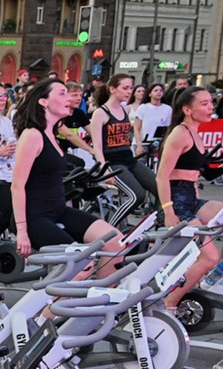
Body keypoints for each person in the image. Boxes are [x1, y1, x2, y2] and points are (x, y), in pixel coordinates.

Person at [156, 86, 223, 314]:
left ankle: (216, 277)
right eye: (204, 104)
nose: (211, 107)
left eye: (211, 102)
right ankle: (168, 304)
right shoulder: (180, 133)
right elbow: (162, 176)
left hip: (191, 198)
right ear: (187, 110)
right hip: (175, 201)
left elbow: (197, 173)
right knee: (208, 255)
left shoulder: (196, 132)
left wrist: (221, 168)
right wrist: (169, 212)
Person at [11, 78, 122, 267]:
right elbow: (17, 186)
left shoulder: (52, 134)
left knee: (116, 243)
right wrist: (22, 231)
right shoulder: (32, 135)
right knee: (81, 264)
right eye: (62, 93)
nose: (68, 98)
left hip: (59, 210)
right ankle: (66, 287)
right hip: (34, 217)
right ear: (43, 101)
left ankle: (101, 287)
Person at [89, 75, 158, 221]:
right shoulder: (100, 113)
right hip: (112, 161)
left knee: (160, 187)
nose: (129, 91)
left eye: (131, 88)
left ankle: (159, 220)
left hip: (128, 158)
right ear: (112, 89)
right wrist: (105, 170)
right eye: (125, 88)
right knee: (137, 195)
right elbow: (97, 146)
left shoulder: (125, 109)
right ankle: (109, 227)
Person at [131, 82, 171, 155]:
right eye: (156, 90)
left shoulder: (168, 109)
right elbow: (136, 128)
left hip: (158, 143)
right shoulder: (143, 107)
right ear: (150, 94)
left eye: (161, 90)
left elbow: (167, 128)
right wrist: (139, 145)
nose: (158, 92)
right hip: (142, 142)